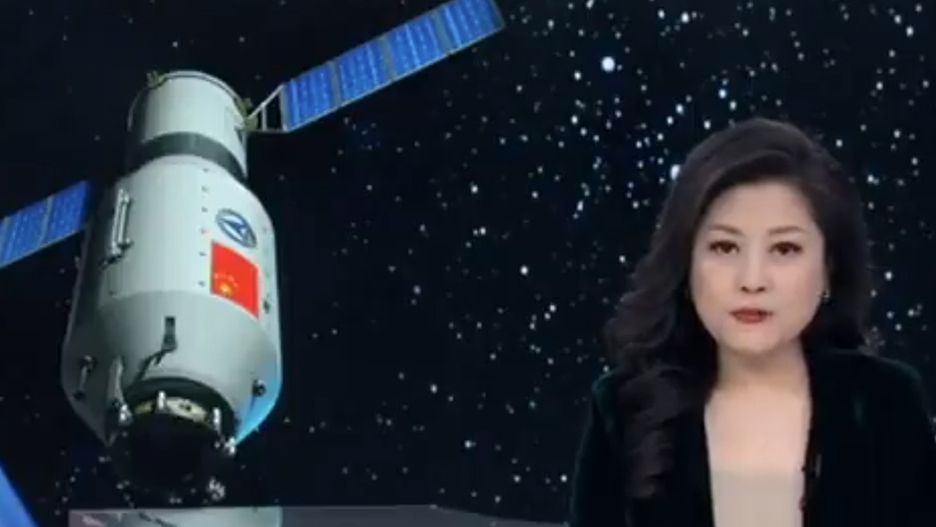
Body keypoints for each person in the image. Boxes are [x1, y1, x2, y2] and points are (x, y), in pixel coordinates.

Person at [568, 117, 936, 527]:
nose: (752, 280)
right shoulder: (624, 412)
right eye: (725, 247)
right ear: (685, 264)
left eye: (784, 249)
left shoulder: (886, 405)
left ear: (829, 268)